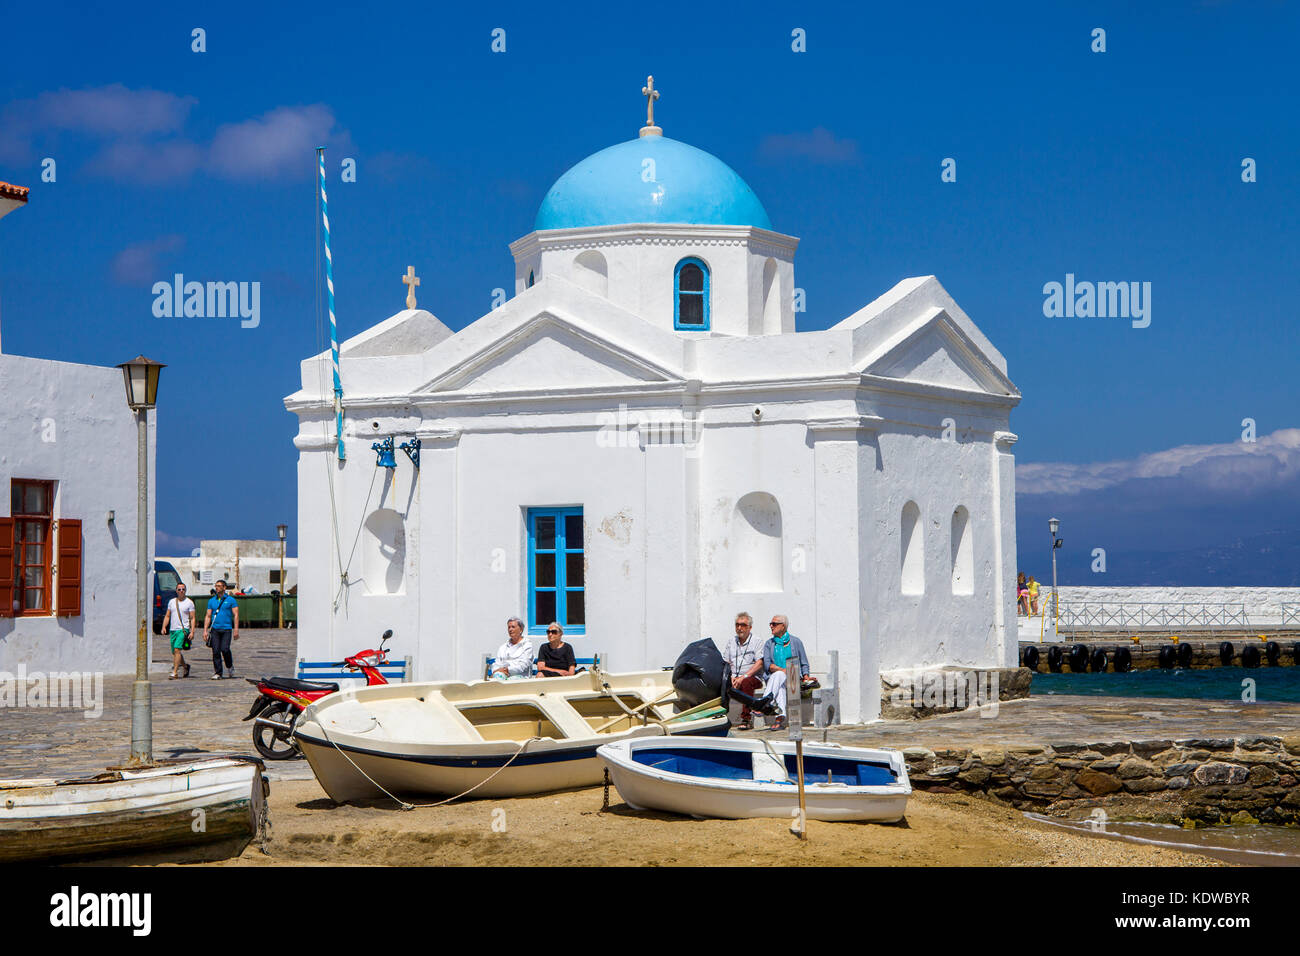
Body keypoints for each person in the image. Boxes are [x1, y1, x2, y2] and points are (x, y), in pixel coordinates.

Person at [759, 615, 811, 732]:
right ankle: (780, 720)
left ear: (783, 626)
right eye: (770, 624)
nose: (771, 626)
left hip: (793, 678)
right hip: (777, 679)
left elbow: (804, 662)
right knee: (780, 681)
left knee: (779, 676)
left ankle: (765, 702)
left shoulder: (796, 642)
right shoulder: (769, 644)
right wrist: (782, 670)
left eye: (774, 624)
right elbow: (767, 665)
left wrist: (806, 676)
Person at [721, 612, 763, 729]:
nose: (739, 628)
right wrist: (730, 677)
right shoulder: (731, 641)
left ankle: (746, 719)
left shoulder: (757, 641)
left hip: (752, 677)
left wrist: (743, 677)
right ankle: (720, 717)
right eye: (737, 625)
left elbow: (760, 663)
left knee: (746, 682)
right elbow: (726, 662)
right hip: (734, 677)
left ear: (750, 627)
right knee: (720, 682)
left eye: (743, 625)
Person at [202, 579, 240, 679]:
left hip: (226, 629)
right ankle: (218, 672)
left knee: (225, 649)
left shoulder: (231, 600)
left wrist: (236, 629)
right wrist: (205, 630)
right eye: (216, 586)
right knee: (215, 651)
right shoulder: (212, 601)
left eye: (219, 586)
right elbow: (208, 615)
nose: (217, 588)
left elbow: (236, 615)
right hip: (215, 629)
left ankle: (229, 666)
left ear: (224, 587)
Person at [163, 582, 195, 679]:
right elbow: (167, 615)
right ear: (176, 591)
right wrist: (164, 627)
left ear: (185, 591)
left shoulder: (189, 602)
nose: (181, 591)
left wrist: (192, 631)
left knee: (177, 649)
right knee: (175, 652)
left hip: (183, 629)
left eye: (183, 589)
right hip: (173, 630)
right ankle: (185, 667)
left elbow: (193, 618)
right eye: (179, 589)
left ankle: (175, 672)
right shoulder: (172, 602)